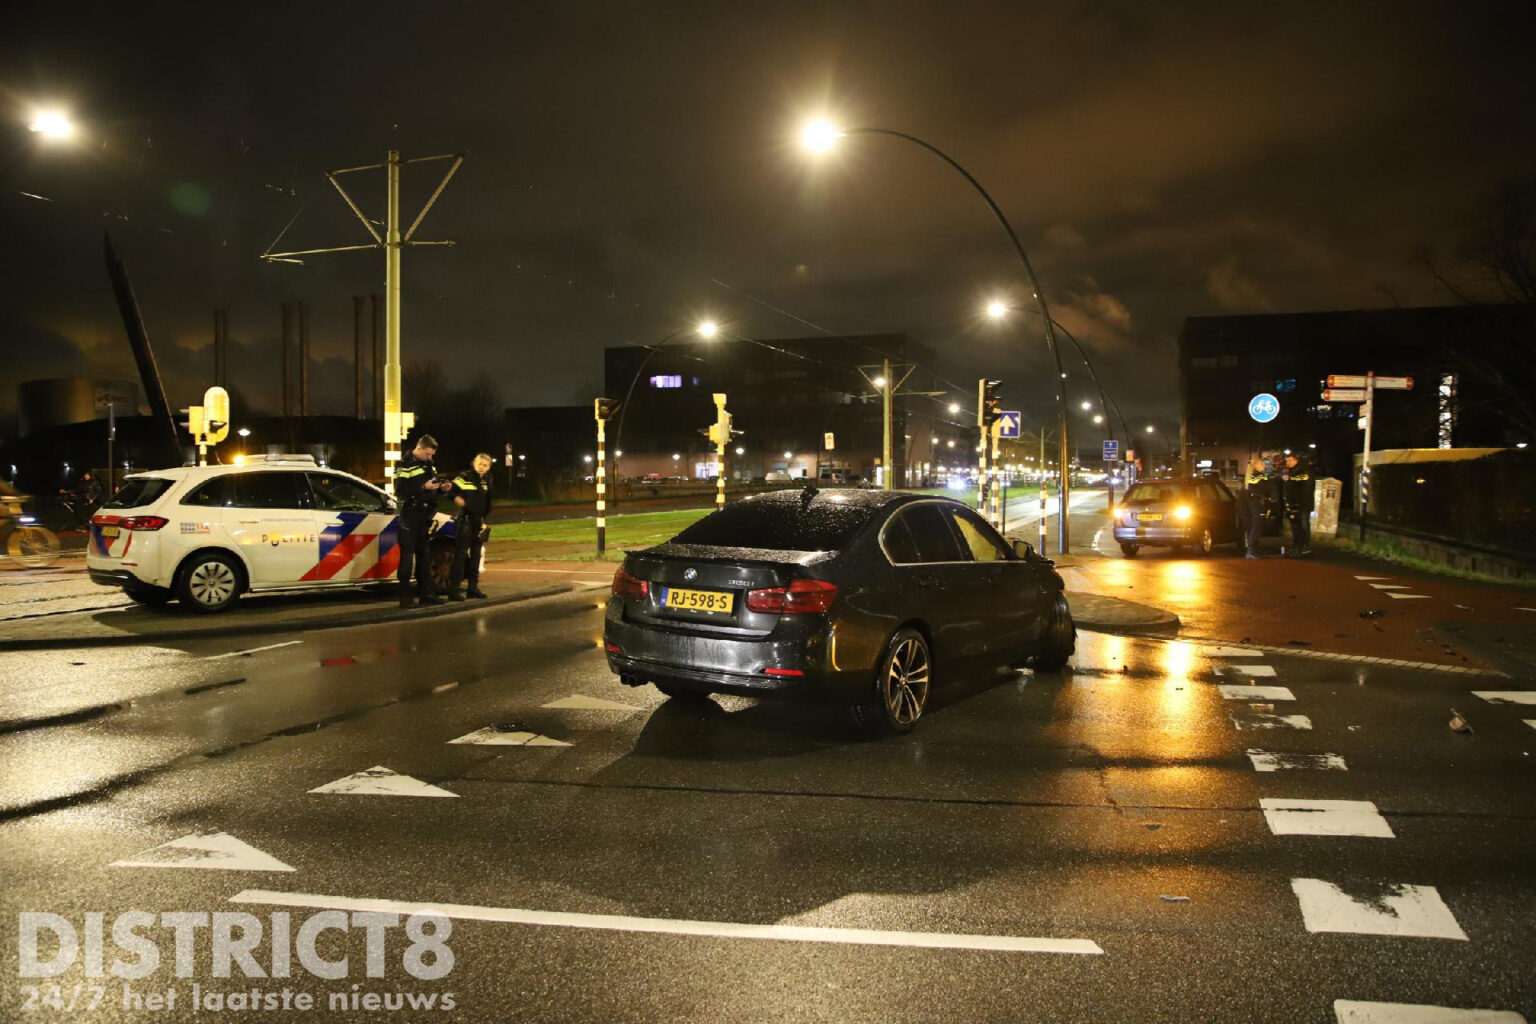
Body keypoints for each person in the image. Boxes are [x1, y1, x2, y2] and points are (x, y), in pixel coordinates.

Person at [394, 435, 453, 608]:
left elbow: (432, 488)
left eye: (432, 455)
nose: (430, 458)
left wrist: (442, 489)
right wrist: (422, 487)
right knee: (406, 557)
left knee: (424, 556)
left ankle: (426, 594)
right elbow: (400, 490)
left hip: (425, 515)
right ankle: (405, 598)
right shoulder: (404, 464)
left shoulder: (428, 464)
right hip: (409, 515)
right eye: (427, 454)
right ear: (419, 448)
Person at [446, 452, 493, 601]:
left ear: (489, 467)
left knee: (476, 556)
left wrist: (484, 519)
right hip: (465, 520)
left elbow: (489, 500)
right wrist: (456, 498)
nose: (482, 468)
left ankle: (472, 588)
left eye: (485, 465)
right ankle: (453, 590)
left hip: (478, 521)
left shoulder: (487, 480)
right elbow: (450, 490)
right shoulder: (464, 477)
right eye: (480, 464)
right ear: (474, 463)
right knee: (460, 556)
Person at [1239, 454, 1274, 559]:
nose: (1263, 465)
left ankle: (1253, 550)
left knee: (1253, 527)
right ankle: (1251, 550)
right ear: (1256, 466)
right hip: (1258, 505)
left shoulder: (1249, 478)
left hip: (1251, 505)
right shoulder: (1259, 476)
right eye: (1261, 463)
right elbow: (1267, 489)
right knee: (1257, 527)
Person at [1280, 451, 1314, 556]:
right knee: (1295, 527)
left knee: (1303, 525)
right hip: (1292, 504)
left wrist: (1289, 480)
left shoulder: (1303, 471)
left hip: (1303, 504)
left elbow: (1304, 486)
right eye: (1286, 461)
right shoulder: (1290, 471)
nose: (1288, 463)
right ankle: (1297, 545)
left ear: (1296, 460)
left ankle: (1305, 546)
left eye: (1290, 460)